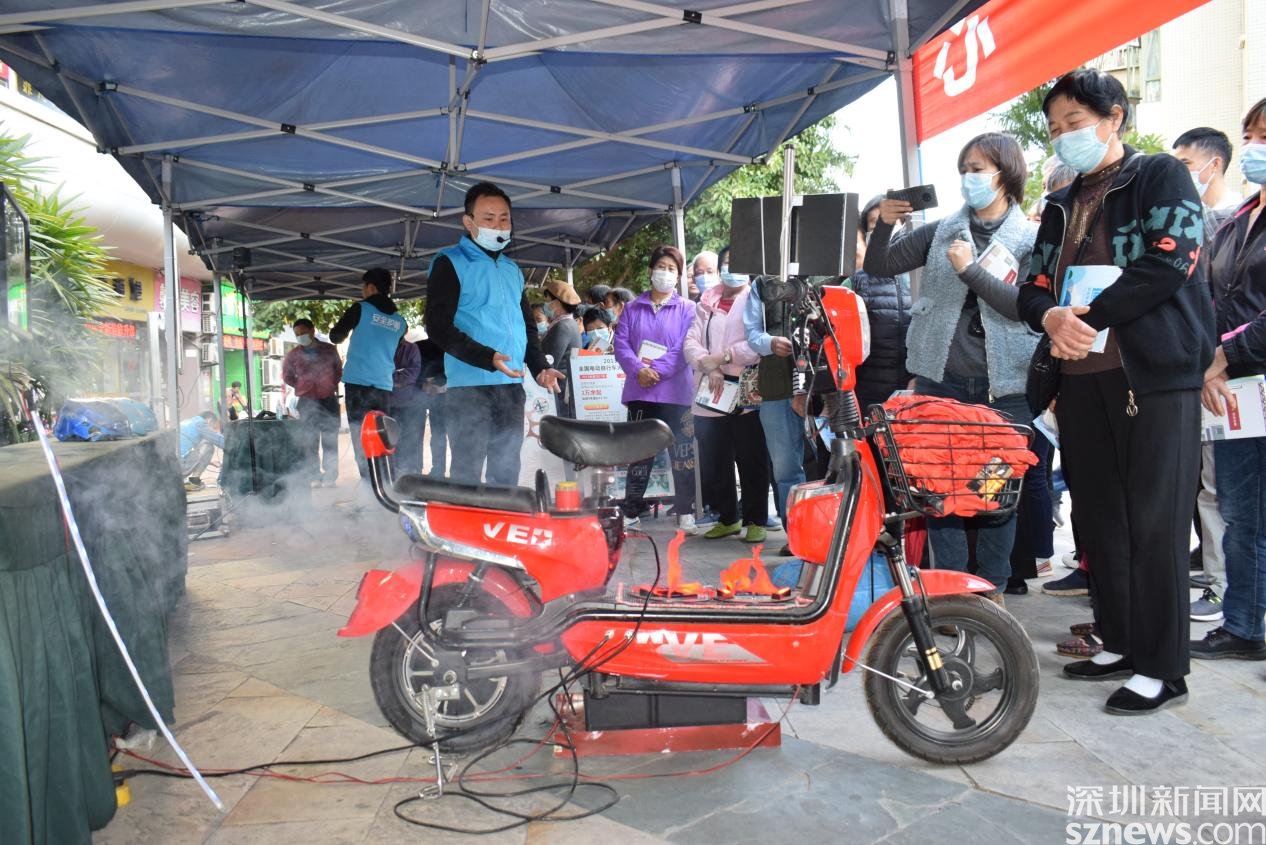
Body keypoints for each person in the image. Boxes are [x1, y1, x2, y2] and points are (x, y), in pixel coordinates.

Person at [1015, 70, 1212, 714]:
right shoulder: (1059, 201)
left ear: (1114, 117)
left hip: (1150, 375)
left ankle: (1163, 667)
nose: (1063, 136)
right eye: (1054, 128)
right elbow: (1031, 285)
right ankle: (1122, 640)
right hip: (1079, 380)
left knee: (1155, 522)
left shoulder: (1158, 175)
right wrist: (1051, 316)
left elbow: (1170, 258)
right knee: (1100, 520)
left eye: (1074, 123)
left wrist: (1087, 318)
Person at [864, 131, 1039, 599]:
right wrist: (884, 225)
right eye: (964, 169)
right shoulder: (942, 229)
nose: (968, 178)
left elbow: (1022, 307)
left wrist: (970, 270)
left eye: (978, 169)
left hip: (1006, 389)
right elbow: (880, 266)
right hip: (941, 383)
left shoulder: (1031, 237)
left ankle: (992, 591)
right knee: (940, 493)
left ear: (1006, 173)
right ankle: (951, 593)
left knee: (996, 496)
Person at [1190, 98, 1266, 662]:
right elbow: (1214, 300)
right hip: (1236, 390)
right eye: (1251, 135)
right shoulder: (1239, 218)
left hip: (1242, 369)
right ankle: (1243, 626)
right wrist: (1209, 361)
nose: (1255, 146)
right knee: (1241, 514)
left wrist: (1225, 353)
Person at [425, 182, 564, 487]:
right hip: (470, 388)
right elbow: (436, 326)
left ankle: (502, 519)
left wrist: (539, 367)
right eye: (488, 218)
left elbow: (527, 326)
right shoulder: (450, 262)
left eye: (504, 219)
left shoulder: (512, 269)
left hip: (511, 388)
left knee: (506, 474)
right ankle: (464, 521)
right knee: (467, 476)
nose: (498, 225)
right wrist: (486, 357)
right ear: (469, 222)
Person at [1173, 126, 1240, 621]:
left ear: (1213, 165)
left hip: (1232, 375)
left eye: (1185, 164)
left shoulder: (1232, 221)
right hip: (1204, 374)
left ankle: (1225, 589)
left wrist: (1220, 359)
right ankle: (1220, 580)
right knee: (1210, 489)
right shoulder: (1196, 220)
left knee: (1224, 492)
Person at [612, 245, 697, 532]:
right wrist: (639, 370)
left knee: (682, 454)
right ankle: (631, 510)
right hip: (641, 392)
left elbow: (684, 347)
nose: (665, 273)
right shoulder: (632, 308)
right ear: (650, 271)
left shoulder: (688, 309)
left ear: (679, 276)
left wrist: (656, 371)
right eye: (661, 267)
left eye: (672, 269)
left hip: (676, 393)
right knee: (639, 452)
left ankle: (685, 510)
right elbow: (621, 345)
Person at [684, 269, 768, 543]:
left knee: (751, 457)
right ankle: (727, 518)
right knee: (715, 458)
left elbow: (757, 344)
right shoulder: (705, 302)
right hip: (711, 390)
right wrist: (710, 368)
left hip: (746, 390)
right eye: (728, 264)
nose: (733, 270)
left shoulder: (757, 298)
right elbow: (690, 342)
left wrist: (722, 358)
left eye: (739, 264)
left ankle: (756, 520)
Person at [329, 268, 407, 480]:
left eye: (363, 287)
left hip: (359, 384)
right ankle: (385, 483)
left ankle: (368, 486)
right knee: (383, 437)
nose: (362, 291)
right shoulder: (401, 322)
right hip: (383, 386)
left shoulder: (360, 309)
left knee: (361, 437)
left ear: (371, 287)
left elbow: (335, 336)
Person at [850, 195, 912, 413]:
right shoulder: (856, 282)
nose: (882, 228)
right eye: (874, 224)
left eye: (889, 220)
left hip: (913, 393)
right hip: (869, 396)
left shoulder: (919, 275)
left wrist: (919, 378)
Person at [282, 318, 343, 487]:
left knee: (330, 441)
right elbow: (287, 376)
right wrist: (302, 385)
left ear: (312, 330)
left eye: (303, 332)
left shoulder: (329, 350)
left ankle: (330, 477)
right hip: (307, 401)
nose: (300, 336)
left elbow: (338, 371)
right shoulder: (293, 355)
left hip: (328, 400)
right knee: (309, 442)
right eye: (297, 334)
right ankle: (314, 476)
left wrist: (328, 384)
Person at [389, 335, 424, 475]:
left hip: (409, 403)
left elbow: (413, 373)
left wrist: (392, 378)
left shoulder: (412, 348)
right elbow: (381, 371)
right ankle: (396, 473)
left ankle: (413, 473)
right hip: (389, 403)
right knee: (392, 440)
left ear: (405, 331)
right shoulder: (386, 346)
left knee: (411, 439)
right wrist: (398, 376)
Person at [415, 335, 448, 478]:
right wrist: (423, 384)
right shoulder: (417, 346)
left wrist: (436, 384)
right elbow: (414, 367)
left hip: (441, 394)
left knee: (439, 433)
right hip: (418, 394)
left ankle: (438, 470)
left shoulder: (447, 346)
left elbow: (449, 370)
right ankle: (416, 468)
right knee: (416, 432)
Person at [541, 278, 583, 369]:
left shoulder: (563, 326)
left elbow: (550, 361)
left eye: (547, 300)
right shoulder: (567, 323)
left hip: (559, 377)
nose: (545, 304)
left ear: (556, 303)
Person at [179, 411, 224, 491]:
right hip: (179, 466)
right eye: (213, 427)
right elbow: (218, 440)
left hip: (172, 465)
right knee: (208, 445)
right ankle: (194, 481)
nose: (212, 429)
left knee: (202, 444)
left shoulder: (189, 422)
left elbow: (193, 452)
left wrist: (210, 462)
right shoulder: (200, 424)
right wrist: (235, 445)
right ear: (209, 421)